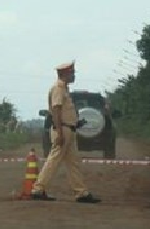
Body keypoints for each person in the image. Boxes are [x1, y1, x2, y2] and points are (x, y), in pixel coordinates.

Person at [31, 60, 101, 203]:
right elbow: (56, 110)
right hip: (62, 129)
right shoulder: (58, 88)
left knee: (73, 163)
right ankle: (37, 189)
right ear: (64, 74)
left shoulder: (64, 89)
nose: (74, 75)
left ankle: (81, 193)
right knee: (54, 160)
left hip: (68, 129)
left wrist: (76, 123)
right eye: (72, 73)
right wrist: (60, 133)